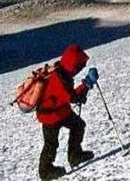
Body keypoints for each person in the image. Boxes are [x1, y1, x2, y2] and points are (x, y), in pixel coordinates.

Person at [37, 44, 99, 180]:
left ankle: (75, 156)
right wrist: (87, 84)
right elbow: (72, 97)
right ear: (73, 65)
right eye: (80, 66)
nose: (80, 68)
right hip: (50, 116)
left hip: (60, 111)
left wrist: (86, 85)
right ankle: (45, 172)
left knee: (78, 126)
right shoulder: (59, 78)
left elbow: (70, 96)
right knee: (51, 143)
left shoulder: (62, 72)